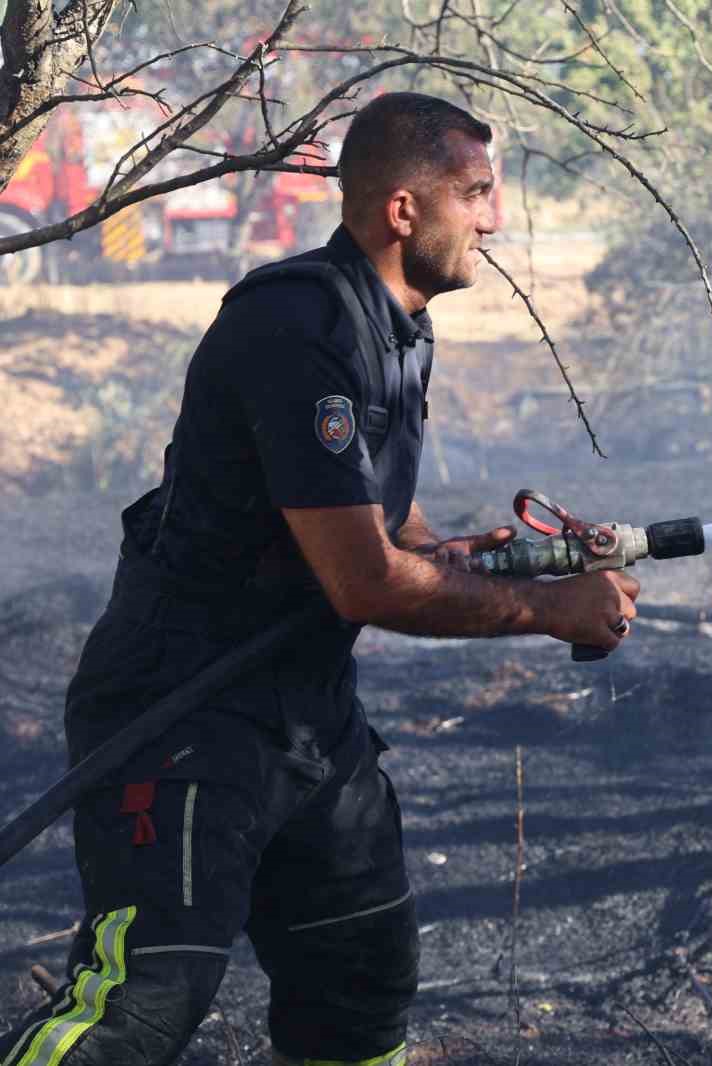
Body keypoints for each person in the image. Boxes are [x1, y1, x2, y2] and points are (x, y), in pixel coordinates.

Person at [0, 93, 639, 1066]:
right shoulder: (299, 326)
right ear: (401, 210)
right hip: (183, 712)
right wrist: (552, 608)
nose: (495, 218)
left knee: (359, 984)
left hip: (303, 714)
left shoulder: (396, 330)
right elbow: (366, 583)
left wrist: (492, 556)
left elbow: (378, 525)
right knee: (135, 1010)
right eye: (475, 193)